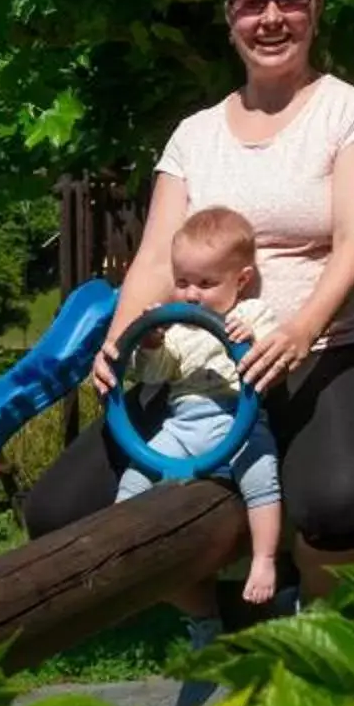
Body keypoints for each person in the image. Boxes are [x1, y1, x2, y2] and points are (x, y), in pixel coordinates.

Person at [24, 0, 354, 631]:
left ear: (315, 11)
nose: (272, 18)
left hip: (318, 356)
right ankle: (214, 616)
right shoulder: (195, 136)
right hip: (199, 372)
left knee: (341, 501)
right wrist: (120, 341)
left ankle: (318, 630)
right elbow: (154, 264)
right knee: (57, 513)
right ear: (229, 18)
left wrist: (299, 330)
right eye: (253, 3)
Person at [113, 205, 286, 607]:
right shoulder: (176, 328)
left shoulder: (252, 313)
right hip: (184, 424)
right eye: (183, 282)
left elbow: (273, 356)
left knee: (262, 478)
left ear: (240, 280)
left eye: (206, 283)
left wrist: (253, 338)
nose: (191, 294)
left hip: (237, 421)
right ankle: (121, 547)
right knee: (137, 475)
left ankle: (265, 558)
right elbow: (155, 375)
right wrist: (151, 343)